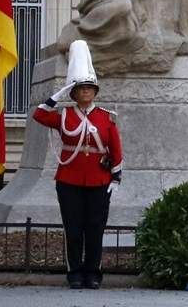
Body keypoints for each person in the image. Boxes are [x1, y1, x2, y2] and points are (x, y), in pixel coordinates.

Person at [30, 41, 124, 289]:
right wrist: (57, 95)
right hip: (69, 179)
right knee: (73, 229)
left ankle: (93, 273)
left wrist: (116, 178)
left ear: (95, 92)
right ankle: (74, 273)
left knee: (95, 229)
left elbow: (116, 149)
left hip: (98, 180)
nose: (86, 92)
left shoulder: (106, 117)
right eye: (81, 88)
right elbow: (39, 115)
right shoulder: (64, 115)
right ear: (74, 91)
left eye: (90, 88)